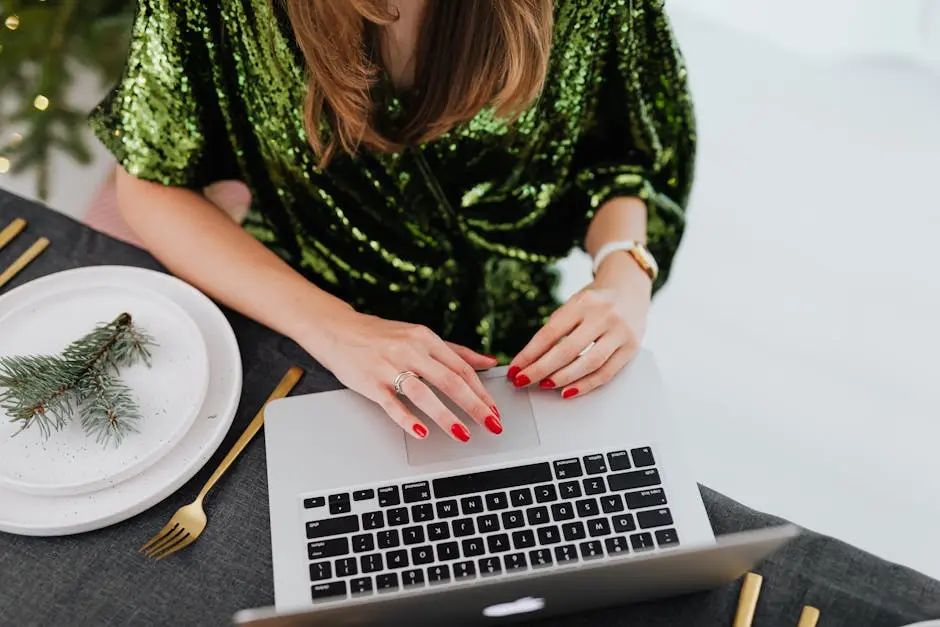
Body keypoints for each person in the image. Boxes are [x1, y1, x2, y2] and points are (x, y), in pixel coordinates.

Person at [90, 0, 695, 444]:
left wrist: (624, 269)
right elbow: (150, 181)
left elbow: (625, 159)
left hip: (511, 343)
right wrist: (335, 329)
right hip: (298, 325)